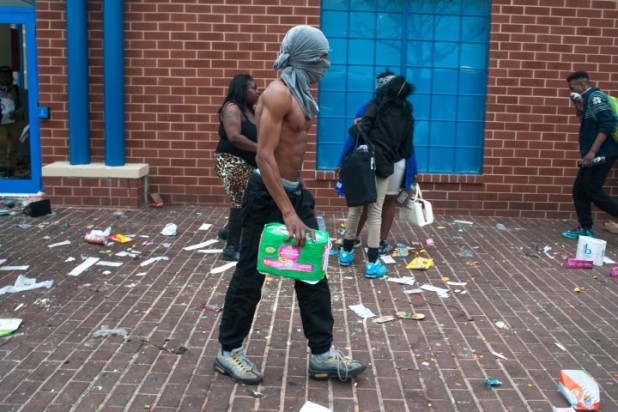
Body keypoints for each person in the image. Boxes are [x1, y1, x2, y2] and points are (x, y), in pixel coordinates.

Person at [214, 25, 367, 385]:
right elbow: (265, 157)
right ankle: (228, 351)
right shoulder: (278, 94)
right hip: (267, 196)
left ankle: (322, 355)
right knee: (250, 277)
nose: (326, 64)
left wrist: (297, 199)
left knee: (312, 272)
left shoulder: (299, 94)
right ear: (304, 57)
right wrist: (287, 211)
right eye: (321, 57)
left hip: (293, 193)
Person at [338, 75, 414, 278]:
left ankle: (345, 253)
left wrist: (356, 125)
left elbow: (357, 132)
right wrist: (389, 153)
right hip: (384, 166)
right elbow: (406, 150)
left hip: (363, 161)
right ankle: (372, 263)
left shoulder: (375, 105)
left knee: (355, 207)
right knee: (376, 210)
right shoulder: (407, 117)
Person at [563, 71, 618, 239]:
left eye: (573, 88)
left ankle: (586, 227)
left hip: (602, 153)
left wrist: (592, 151)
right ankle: (586, 228)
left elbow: (606, 125)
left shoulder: (596, 98)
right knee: (579, 190)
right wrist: (577, 105)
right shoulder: (586, 100)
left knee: (593, 190)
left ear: (581, 85)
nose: (572, 91)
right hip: (593, 154)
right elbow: (585, 121)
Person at [213, 74, 260, 261]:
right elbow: (234, 136)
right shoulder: (232, 108)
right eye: (253, 88)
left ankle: (228, 231)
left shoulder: (251, 110)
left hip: (247, 162)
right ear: (242, 89)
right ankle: (232, 248)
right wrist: (260, 149)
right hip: (230, 160)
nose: (258, 91)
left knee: (249, 199)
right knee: (240, 201)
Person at [0, 66, 25, 178]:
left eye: (7, 76)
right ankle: (2, 167)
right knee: (1, 144)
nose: (5, 79)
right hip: (1, 122)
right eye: (2, 77)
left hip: (15, 121)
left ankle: (11, 168)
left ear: (11, 77)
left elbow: (24, 105)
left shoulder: (17, 90)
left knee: (13, 146)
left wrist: (16, 113)